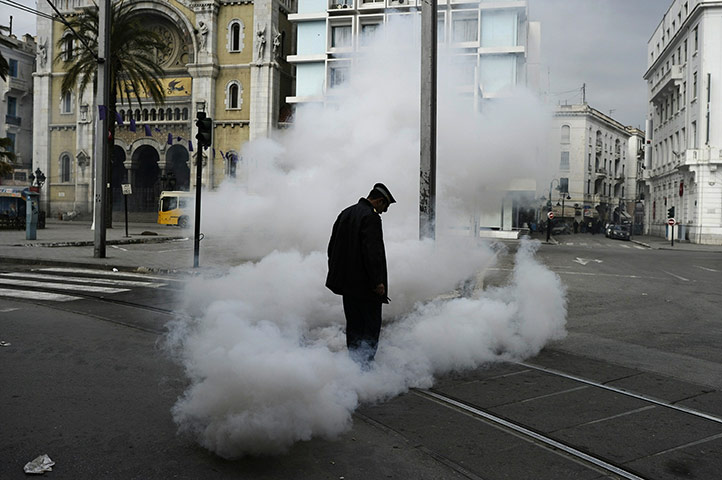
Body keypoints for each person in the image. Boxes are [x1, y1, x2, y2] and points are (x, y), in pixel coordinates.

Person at [326, 183, 396, 367]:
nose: (382, 212)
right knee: (370, 327)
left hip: (347, 284)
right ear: (379, 201)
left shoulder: (346, 213)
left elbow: (331, 248)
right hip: (366, 286)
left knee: (354, 325)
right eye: (384, 208)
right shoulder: (371, 217)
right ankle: (366, 366)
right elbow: (372, 253)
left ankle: (354, 364)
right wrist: (377, 282)